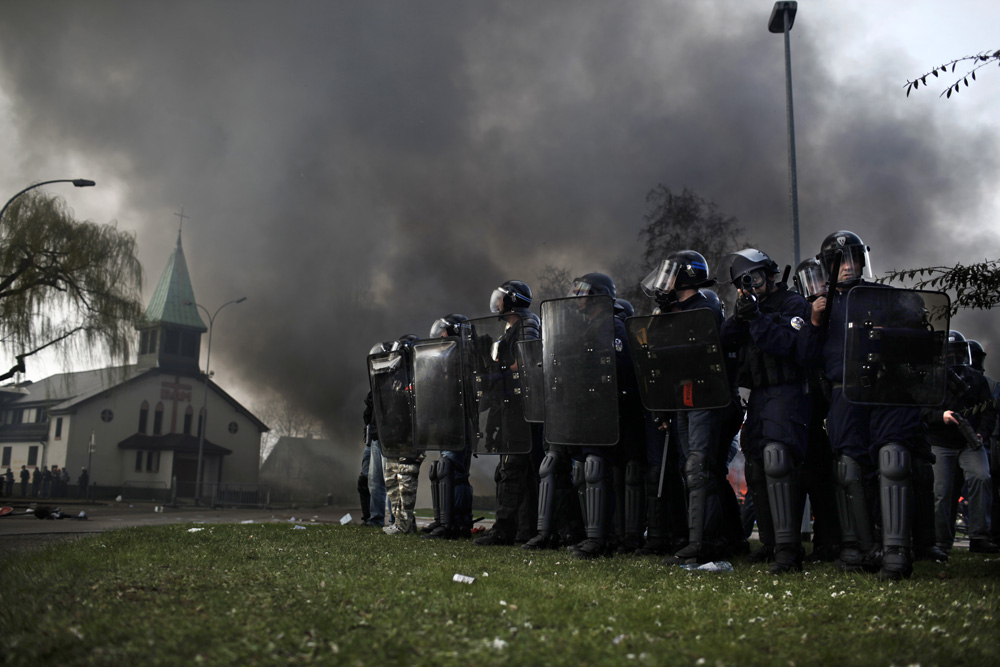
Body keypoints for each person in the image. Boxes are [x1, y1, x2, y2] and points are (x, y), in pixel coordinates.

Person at [809, 230, 923, 580]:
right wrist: (813, 321)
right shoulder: (819, 307)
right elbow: (804, 356)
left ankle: (895, 553)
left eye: (852, 259)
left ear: (861, 260)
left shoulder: (888, 297)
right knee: (847, 468)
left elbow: (920, 337)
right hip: (845, 393)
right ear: (827, 267)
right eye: (838, 261)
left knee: (892, 460)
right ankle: (861, 547)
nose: (847, 266)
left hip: (886, 390)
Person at [720, 248, 818, 573]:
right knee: (757, 465)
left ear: (771, 275)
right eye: (746, 282)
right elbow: (724, 341)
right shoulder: (751, 310)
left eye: (757, 278)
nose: (753, 285)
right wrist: (740, 315)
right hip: (760, 395)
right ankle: (771, 544)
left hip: (789, 391)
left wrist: (757, 318)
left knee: (779, 459)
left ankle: (789, 551)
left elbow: (789, 345)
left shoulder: (792, 305)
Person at [642, 250, 731, 565]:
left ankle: (704, 542)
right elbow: (655, 355)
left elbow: (695, 348)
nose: (664, 282)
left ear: (685, 276)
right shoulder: (671, 309)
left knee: (698, 468)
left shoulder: (705, 305)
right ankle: (696, 537)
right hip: (680, 397)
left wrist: (672, 314)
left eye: (671, 274)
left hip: (704, 395)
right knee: (687, 468)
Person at [475, 281, 542, 547]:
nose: (498, 302)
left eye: (502, 298)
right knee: (516, 471)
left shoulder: (527, 325)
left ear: (513, 301)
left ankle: (505, 530)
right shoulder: (511, 329)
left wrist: (499, 364)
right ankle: (521, 530)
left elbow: (524, 361)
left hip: (522, 411)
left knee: (514, 470)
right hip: (510, 408)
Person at [923, 331, 998, 554]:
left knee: (981, 478)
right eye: (950, 354)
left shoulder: (977, 379)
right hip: (940, 442)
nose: (954, 359)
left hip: (969, 442)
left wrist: (981, 434)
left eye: (957, 353)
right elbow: (922, 412)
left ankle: (979, 537)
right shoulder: (931, 379)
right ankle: (941, 542)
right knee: (941, 491)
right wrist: (941, 416)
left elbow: (989, 411)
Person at [424, 313, 475, 540]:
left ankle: (457, 524)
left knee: (456, 473)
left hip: (459, 422)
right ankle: (444, 519)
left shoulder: (464, 357)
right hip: (446, 420)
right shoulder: (448, 357)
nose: (441, 336)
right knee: (443, 470)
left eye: (445, 332)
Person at [382, 334, 424, 535]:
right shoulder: (394, 379)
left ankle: (403, 525)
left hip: (411, 439)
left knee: (406, 483)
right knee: (391, 481)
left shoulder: (421, 376)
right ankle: (404, 523)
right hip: (394, 438)